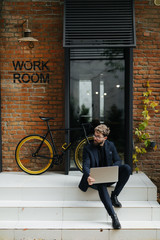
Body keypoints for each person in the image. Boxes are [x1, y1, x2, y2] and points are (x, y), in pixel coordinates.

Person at [79, 124, 131, 229]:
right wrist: (88, 176)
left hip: (108, 175)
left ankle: (114, 196)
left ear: (105, 138)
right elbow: (85, 165)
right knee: (101, 184)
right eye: (95, 135)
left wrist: (113, 169)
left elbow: (117, 160)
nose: (95, 138)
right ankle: (113, 216)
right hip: (93, 179)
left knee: (127, 168)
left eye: (98, 137)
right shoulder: (88, 148)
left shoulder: (110, 145)